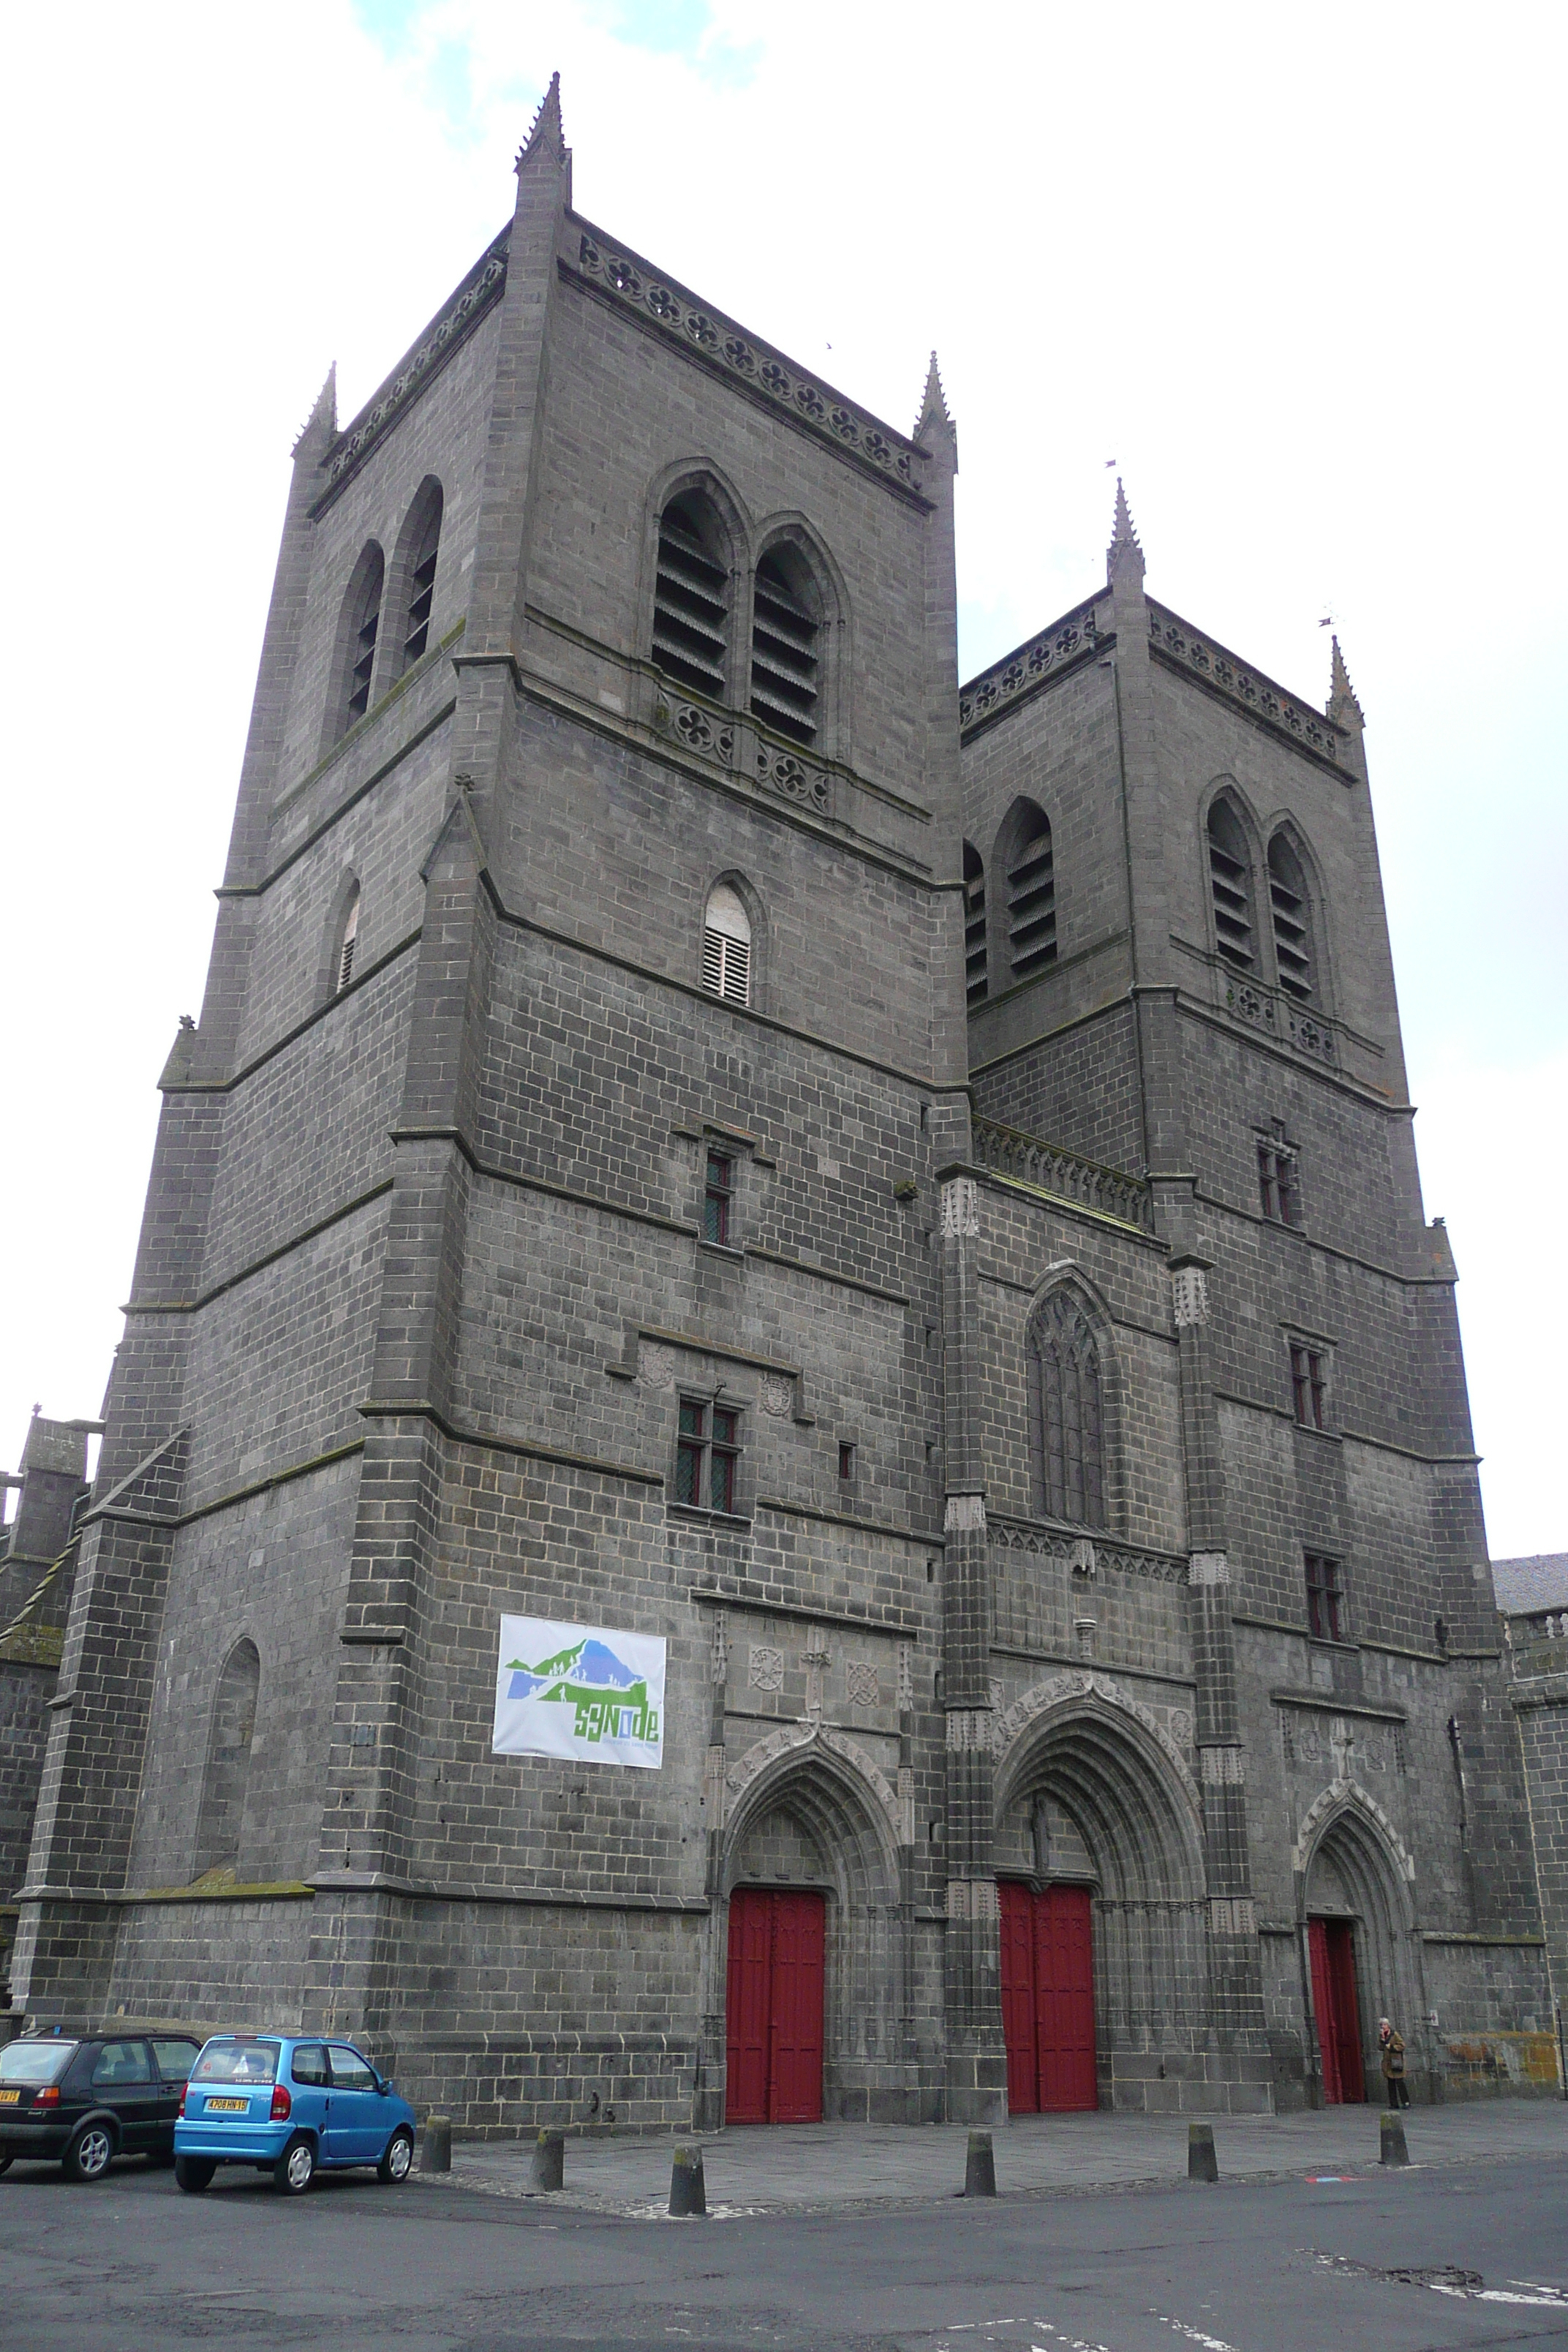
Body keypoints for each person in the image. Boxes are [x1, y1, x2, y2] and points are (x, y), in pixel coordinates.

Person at [1378, 2016, 1409, 2108]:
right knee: (1391, 2083)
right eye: (1381, 2025)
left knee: (1400, 2082)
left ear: (1388, 2025)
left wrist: (1391, 2047)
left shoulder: (1394, 2034)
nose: (1383, 2027)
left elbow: (1402, 2045)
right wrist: (1382, 2041)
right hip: (1388, 2063)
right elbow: (1380, 2048)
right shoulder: (1382, 2035)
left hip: (1396, 2061)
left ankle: (1406, 2102)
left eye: (1384, 2025)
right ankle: (1394, 2103)